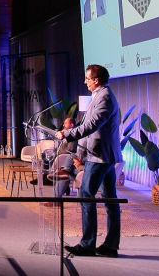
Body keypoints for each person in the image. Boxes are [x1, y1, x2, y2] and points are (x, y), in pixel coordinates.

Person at [56, 64, 121, 257]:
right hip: (101, 155)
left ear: (96, 80)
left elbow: (92, 125)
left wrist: (67, 134)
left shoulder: (105, 97)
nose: (85, 82)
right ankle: (110, 246)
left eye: (87, 79)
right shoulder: (100, 96)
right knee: (110, 201)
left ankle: (87, 245)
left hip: (100, 156)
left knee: (86, 194)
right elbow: (88, 124)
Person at [48, 117, 78, 201]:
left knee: (64, 174)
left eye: (66, 123)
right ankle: (58, 196)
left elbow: (71, 151)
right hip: (64, 160)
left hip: (68, 160)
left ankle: (56, 199)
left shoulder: (73, 136)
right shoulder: (66, 134)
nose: (63, 125)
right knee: (63, 173)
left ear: (72, 125)